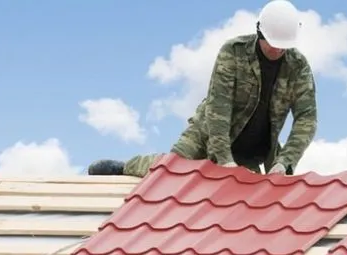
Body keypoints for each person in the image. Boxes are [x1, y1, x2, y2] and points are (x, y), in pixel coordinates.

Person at [88, 0, 316, 179]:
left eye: (283, 46)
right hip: (208, 132)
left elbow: (307, 119)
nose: (278, 50)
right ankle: (126, 167)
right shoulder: (233, 52)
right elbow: (219, 106)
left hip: (253, 149)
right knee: (172, 171)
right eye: (273, 44)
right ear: (260, 33)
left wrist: (284, 161)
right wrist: (224, 159)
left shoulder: (298, 67)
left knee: (242, 195)